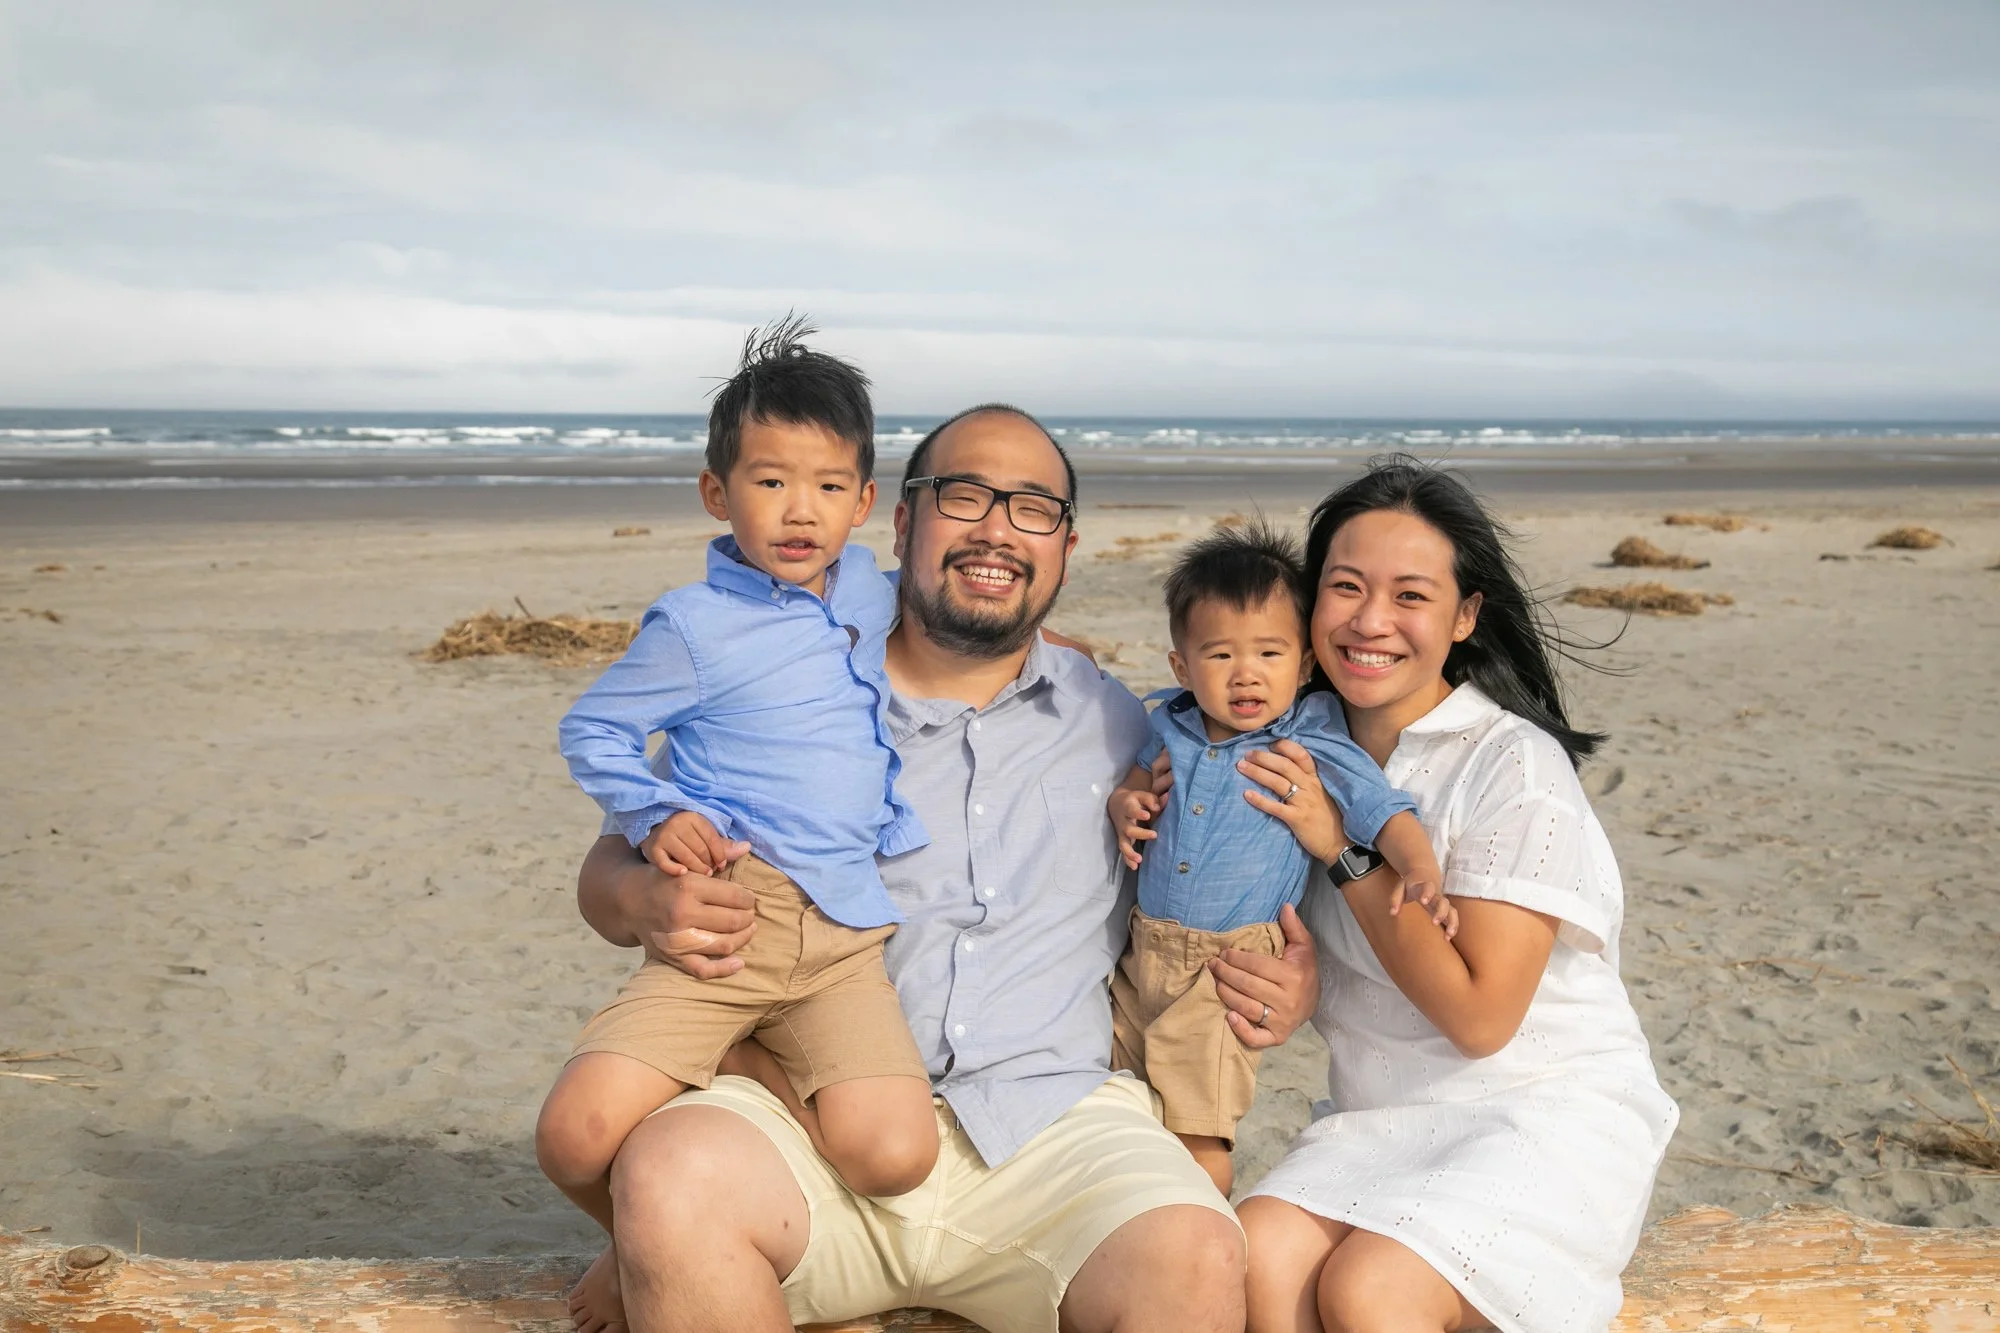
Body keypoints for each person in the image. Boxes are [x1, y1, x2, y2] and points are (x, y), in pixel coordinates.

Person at [568, 405, 1320, 1333]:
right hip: (808, 1119)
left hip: (1052, 1130)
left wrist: (1290, 975)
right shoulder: (785, 686)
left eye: (1033, 507)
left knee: (1198, 1253)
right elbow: (608, 873)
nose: (997, 527)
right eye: (964, 496)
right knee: (670, 1176)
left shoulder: (1128, 725)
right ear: (901, 522)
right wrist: (645, 897)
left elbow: (1230, 870)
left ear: (1066, 546)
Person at [538, 319, 939, 1324]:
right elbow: (594, 729)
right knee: (575, 1133)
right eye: (768, 481)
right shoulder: (693, 625)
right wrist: (653, 807)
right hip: (731, 922)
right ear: (717, 493)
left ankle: (743, 1068)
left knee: (895, 1152)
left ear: (863, 502)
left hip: (846, 931)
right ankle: (643, 1251)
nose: (798, 509)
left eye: (826, 485)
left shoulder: (866, 591)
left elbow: (965, 626)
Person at [1229, 458, 1678, 1333]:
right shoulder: (1290, 743)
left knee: (1370, 1291)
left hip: (1538, 1109)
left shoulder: (1511, 761)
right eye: (1345, 587)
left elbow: (1481, 1017)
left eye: (1410, 596)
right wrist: (1292, 990)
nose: (1369, 622)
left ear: (1466, 616)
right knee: (1254, 1253)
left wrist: (1341, 849)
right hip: (1379, 1116)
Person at [1104, 521, 1453, 1194]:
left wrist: (1420, 869)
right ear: (1181, 665)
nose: (1246, 674)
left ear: (1303, 663)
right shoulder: (1168, 721)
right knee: (1115, 1096)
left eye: (1269, 652)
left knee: (1196, 1124)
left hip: (1228, 964)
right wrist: (1129, 799)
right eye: (1219, 655)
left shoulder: (1309, 740)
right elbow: (1139, 779)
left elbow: (1381, 807)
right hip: (1140, 949)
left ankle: (1202, 1225)